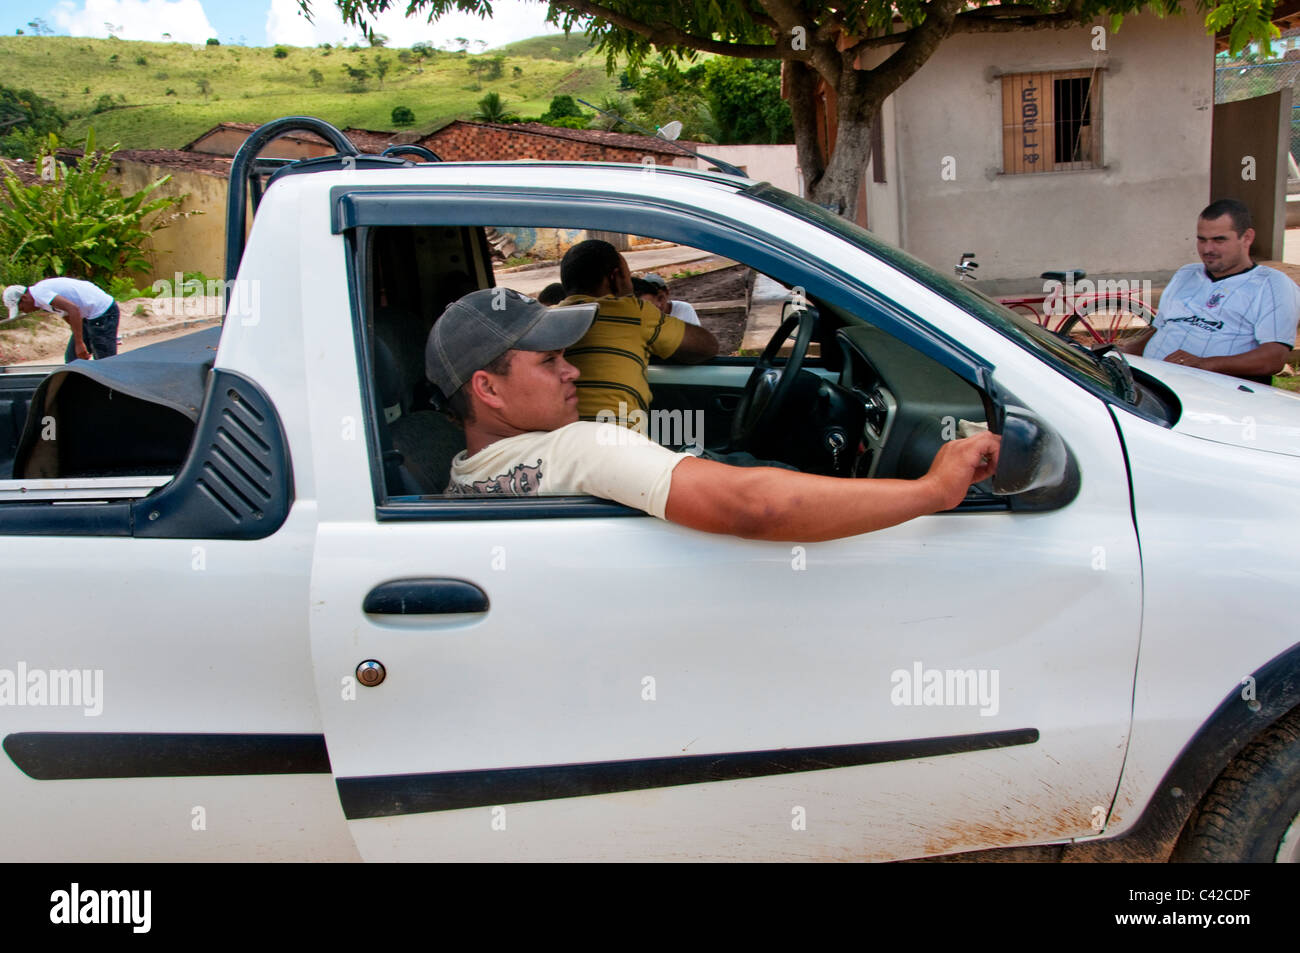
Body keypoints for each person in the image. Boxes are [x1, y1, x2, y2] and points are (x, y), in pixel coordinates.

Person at [426, 288, 1000, 541]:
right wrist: (933, 491)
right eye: (550, 361)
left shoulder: (460, 476)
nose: (572, 372)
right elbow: (755, 505)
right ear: (488, 388)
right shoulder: (577, 447)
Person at [1120, 199, 1299, 384]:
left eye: (1219, 240)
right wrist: (1125, 351)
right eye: (1202, 239)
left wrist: (1206, 364)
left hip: (1213, 394)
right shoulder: (1186, 274)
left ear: (1247, 238)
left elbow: (1273, 358)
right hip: (1151, 382)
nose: (1207, 249)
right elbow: (1161, 327)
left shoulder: (1272, 285)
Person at [557, 239, 718, 422]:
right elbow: (707, 346)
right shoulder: (633, 311)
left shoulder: (548, 319)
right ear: (615, 278)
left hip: (563, 440)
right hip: (618, 438)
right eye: (628, 275)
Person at [4, 277, 120, 362]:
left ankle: (110, 393)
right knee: (72, 358)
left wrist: (80, 343)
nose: (24, 311)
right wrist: (80, 340)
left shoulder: (40, 293)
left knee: (104, 360)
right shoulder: (40, 301)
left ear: (24, 298)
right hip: (86, 315)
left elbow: (73, 309)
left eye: (22, 308)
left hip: (103, 311)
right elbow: (66, 314)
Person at [636, 271, 701, 326]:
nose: (659, 304)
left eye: (660, 298)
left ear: (667, 293)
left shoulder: (684, 309)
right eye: (652, 301)